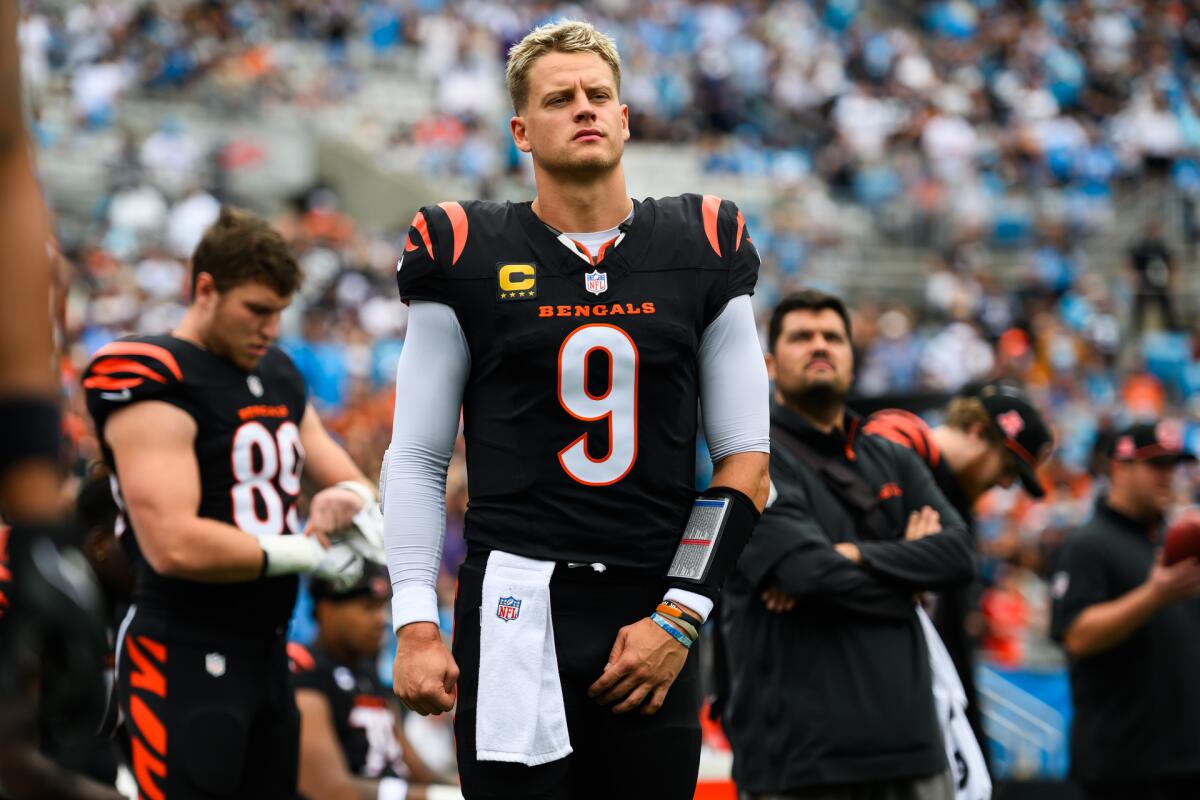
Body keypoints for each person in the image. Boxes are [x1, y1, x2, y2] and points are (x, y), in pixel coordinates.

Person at [383, 19, 770, 800]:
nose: (585, 108)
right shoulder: (463, 247)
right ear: (521, 130)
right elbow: (419, 457)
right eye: (561, 98)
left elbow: (746, 461)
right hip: (513, 603)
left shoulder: (702, 240)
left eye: (600, 95)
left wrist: (679, 614)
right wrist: (416, 620)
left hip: (653, 604)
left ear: (626, 117)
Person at [80, 207, 379, 800]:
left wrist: (342, 503)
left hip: (266, 651)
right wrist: (304, 551)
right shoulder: (152, 370)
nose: (269, 329)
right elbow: (173, 545)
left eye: (278, 313)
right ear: (206, 289)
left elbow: (352, 482)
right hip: (184, 645)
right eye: (256, 311)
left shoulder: (277, 372)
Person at [720, 289, 974, 800]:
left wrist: (855, 556)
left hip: (914, 748)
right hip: (802, 757)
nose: (820, 346)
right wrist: (907, 581)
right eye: (801, 337)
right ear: (768, 363)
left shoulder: (892, 458)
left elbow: (957, 556)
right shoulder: (749, 457)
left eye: (833, 337)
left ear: (853, 359)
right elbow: (804, 575)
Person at [864, 383, 1053, 751]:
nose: (1003, 483)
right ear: (978, 430)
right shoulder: (898, 444)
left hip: (920, 704)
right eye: (1008, 466)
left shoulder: (957, 505)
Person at [1050, 421, 1200, 800]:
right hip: (1122, 767)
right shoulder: (1089, 544)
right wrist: (1152, 595)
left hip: (1185, 760)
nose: (1168, 477)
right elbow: (1077, 635)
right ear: (1119, 466)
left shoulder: (1174, 542)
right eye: (1156, 466)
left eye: (1172, 466)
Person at [290, 563, 440, 800]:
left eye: (382, 608)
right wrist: (436, 796)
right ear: (327, 609)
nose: (380, 620)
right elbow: (331, 791)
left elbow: (415, 769)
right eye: (368, 608)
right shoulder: (307, 672)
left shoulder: (369, 676)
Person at [1127, 220, 1178, 332]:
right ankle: (1136, 332)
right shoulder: (1140, 246)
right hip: (1144, 282)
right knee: (1139, 310)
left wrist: (1171, 283)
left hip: (1161, 282)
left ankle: (1173, 333)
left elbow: (1172, 264)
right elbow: (1131, 264)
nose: (1152, 232)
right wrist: (1134, 281)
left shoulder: (1163, 246)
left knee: (1167, 310)